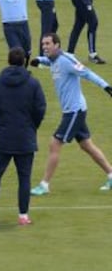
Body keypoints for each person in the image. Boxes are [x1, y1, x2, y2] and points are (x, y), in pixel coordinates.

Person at [30, 33, 112, 196]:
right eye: (43, 44)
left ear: (57, 45)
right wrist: (39, 60)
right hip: (71, 110)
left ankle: (44, 184)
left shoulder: (67, 60)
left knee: (54, 143)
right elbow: (50, 61)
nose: (45, 47)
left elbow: (87, 73)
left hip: (74, 111)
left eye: (48, 44)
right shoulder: (53, 59)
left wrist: (106, 87)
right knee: (86, 145)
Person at [0, 47, 46, 227]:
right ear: (24, 61)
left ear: (8, 61)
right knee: (24, 177)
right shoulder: (33, 83)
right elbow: (40, 108)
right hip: (25, 137)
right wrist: (32, 126)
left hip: (5, 135)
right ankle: (23, 216)